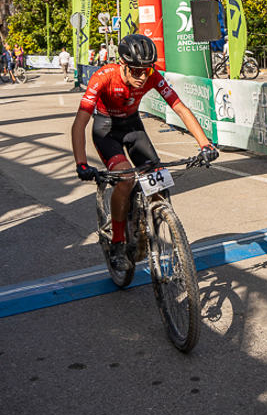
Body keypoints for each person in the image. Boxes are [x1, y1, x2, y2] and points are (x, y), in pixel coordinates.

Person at [72, 33, 218, 272]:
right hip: (106, 129)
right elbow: (80, 122)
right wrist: (81, 163)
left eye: (147, 70)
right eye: (136, 71)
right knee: (126, 177)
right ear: (123, 64)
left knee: (158, 179)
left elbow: (180, 108)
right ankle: (118, 242)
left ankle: (160, 227)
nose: (142, 77)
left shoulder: (152, 76)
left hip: (132, 126)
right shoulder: (103, 77)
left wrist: (205, 144)